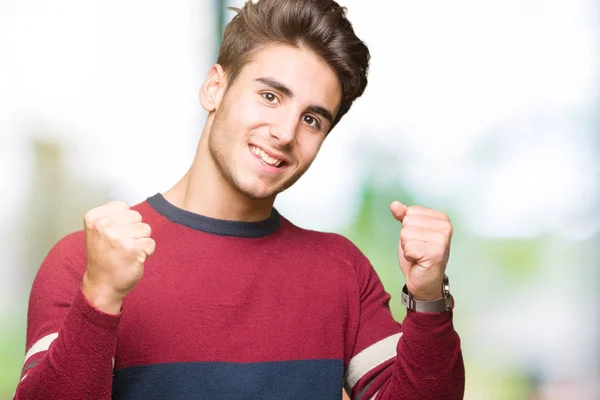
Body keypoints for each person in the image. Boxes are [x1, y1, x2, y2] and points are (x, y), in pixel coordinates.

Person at [14, 0, 465, 399]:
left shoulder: (341, 272)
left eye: (311, 119)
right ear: (215, 87)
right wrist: (100, 298)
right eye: (270, 96)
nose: (285, 133)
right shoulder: (85, 263)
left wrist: (427, 300)